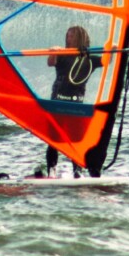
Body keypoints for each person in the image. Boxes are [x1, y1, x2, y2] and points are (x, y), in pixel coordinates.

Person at [42, 25, 102, 178]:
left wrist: (116, 47)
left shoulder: (89, 58)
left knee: (76, 139)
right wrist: (53, 52)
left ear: (80, 38)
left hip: (76, 104)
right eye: (67, 36)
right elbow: (50, 63)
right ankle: (51, 171)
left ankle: (77, 171)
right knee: (54, 139)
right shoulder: (63, 53)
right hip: (58, 100)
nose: (68, 39)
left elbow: (106, 61)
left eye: (72, 36)